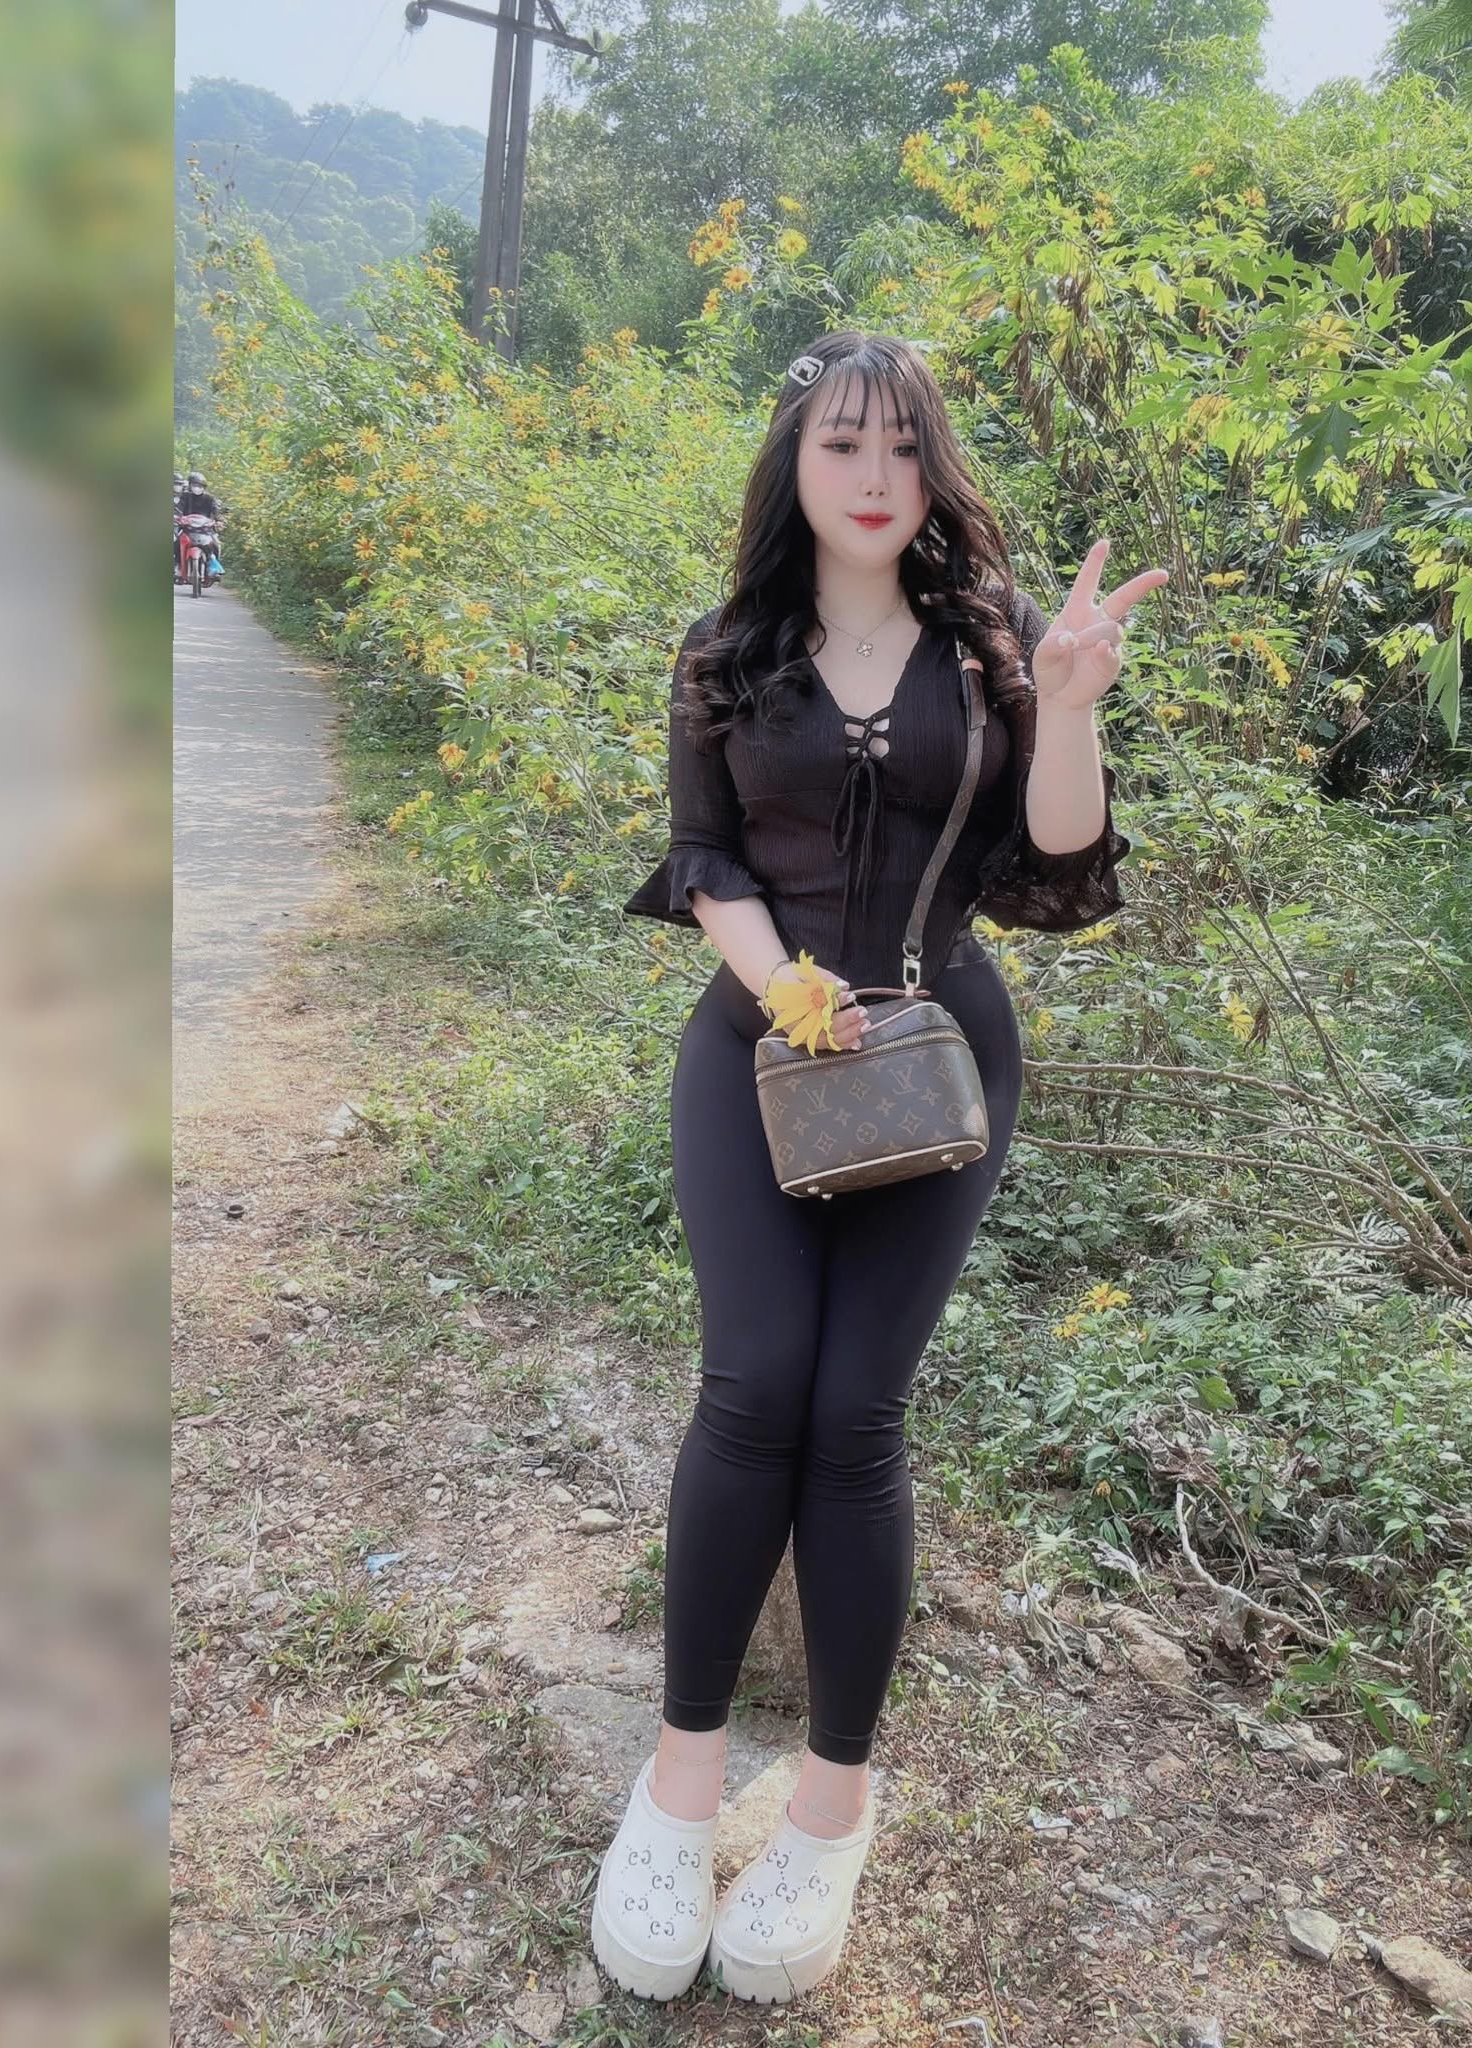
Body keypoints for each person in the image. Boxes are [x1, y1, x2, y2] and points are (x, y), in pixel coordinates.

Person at [593, 331, 1167, 2006]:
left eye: (903, 448)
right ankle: (679, 1786)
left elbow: (1059, 858)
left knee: (855, 1416)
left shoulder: (991, 648)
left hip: (934, 1056)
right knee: (752, 1387)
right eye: (842, 443)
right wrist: (784, 985)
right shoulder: (729, 648)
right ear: (795, 460)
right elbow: (703, 853)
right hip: (756, 1054)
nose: (873, 476)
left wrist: (1070, 707)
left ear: (934, 472)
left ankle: (832, 1805)